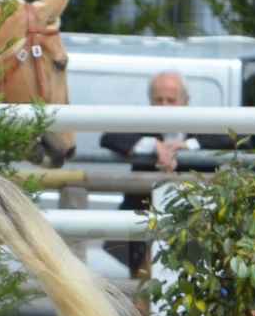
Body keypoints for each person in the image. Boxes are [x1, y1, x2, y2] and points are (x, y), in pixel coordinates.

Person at [99, 70, 236, 275]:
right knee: (143, 294)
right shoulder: (141, 124)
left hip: (197, 231)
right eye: (158, 100)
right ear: (150, 102)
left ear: (185, 101)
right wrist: (153, 146)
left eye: (171, 100)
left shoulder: (203, 124)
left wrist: (187, 147)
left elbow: (232, 137)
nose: (164, 106)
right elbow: (109, 137)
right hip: (146, 233)